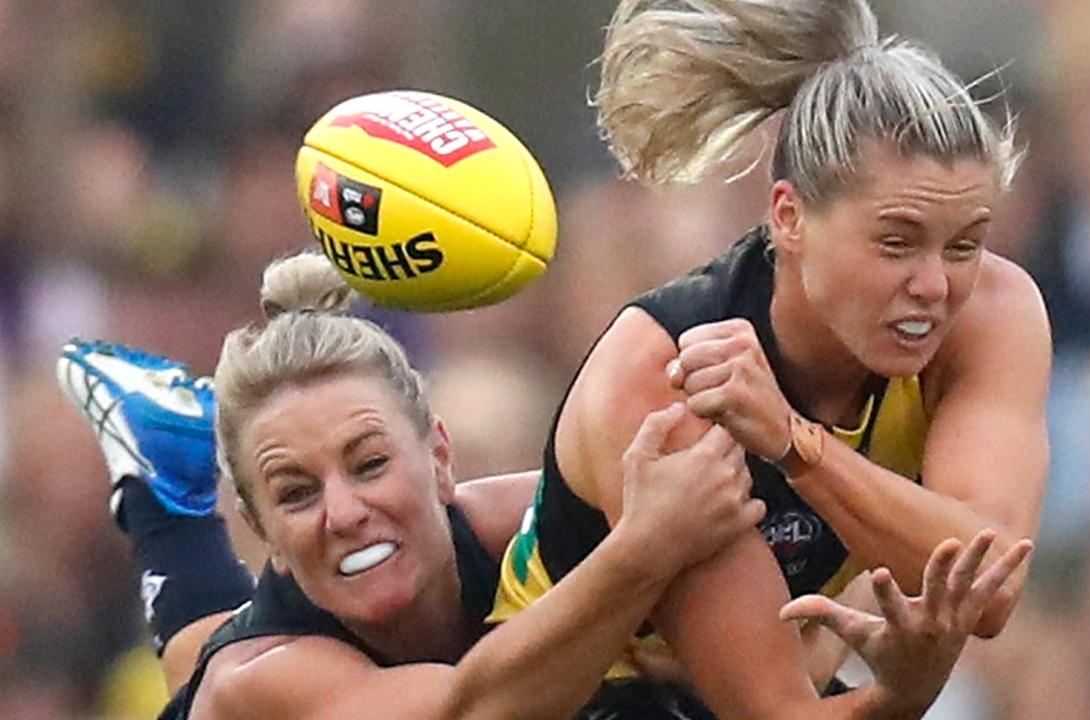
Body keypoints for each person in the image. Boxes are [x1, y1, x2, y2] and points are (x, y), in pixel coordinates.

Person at [57, 251, 1032, 720]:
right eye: (295, 493)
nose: (346, 508)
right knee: (207, 667)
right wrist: (643, 551)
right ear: (259, 524)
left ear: (440, 456)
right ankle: (171, 500)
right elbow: (474, 718)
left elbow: (760, 675)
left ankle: (176, 470)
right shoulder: (263, 684)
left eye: (368, 463)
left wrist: (899, 688)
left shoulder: (525, 516)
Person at [490, 0, 1049, 717]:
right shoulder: (666, 376)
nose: (936, 285)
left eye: (964, 244)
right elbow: (771, 712)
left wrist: (794, 444)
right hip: (598, 693)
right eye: (896, 243)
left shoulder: (992, 311)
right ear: (788, 218)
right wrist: (901, 697)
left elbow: (990, 584)